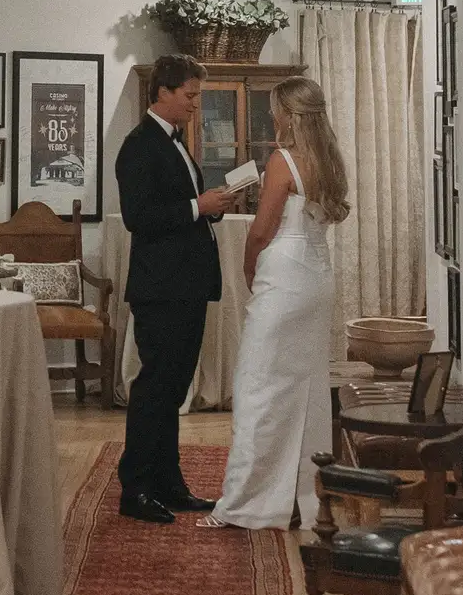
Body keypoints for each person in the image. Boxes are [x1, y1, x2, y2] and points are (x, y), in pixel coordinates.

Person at [206, 77, 352, 529]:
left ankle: (246, 504)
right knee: (305, 390)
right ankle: (302, 498)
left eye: (275, 109)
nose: (272, 117)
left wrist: (250, 268)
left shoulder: (282, 161)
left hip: (284, 277)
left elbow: (260, 229)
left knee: (258, 388)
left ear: (288, 114)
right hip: (317, 278)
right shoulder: (330, 160)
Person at [114, 54, 240, 523]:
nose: (195, 103)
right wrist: (197, 206)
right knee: (154, 389)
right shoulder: (138, 145)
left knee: (173, 390)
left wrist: (214, 206)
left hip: (185, 285)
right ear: (163, 92)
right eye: (189, 94)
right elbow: (139, 218)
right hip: (161, 288)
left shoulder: (176, 142)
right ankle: (136, 489)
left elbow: (181, 207)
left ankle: (168, 482)